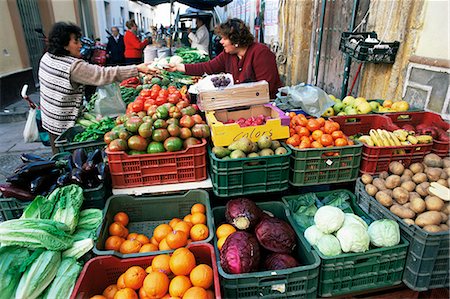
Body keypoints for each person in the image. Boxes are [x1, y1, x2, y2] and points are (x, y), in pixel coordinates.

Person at [39, 22, 157, 154]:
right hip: (64, 124)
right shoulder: (73, 66)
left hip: (49, 118)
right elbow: (102, 74)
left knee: (58, 157)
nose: (80, 45)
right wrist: (137, 68)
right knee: (69, 159)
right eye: (76, 41)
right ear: (64, 45)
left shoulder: (47, 57)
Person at [168, 18, 282, 99]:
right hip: (242, 103)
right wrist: (178, 67)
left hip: (267, 105)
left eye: (224, 38)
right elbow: (208, 67)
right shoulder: (228, 54)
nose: (221, 41)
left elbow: (266, 87)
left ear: (235, 40)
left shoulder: (260, 53)